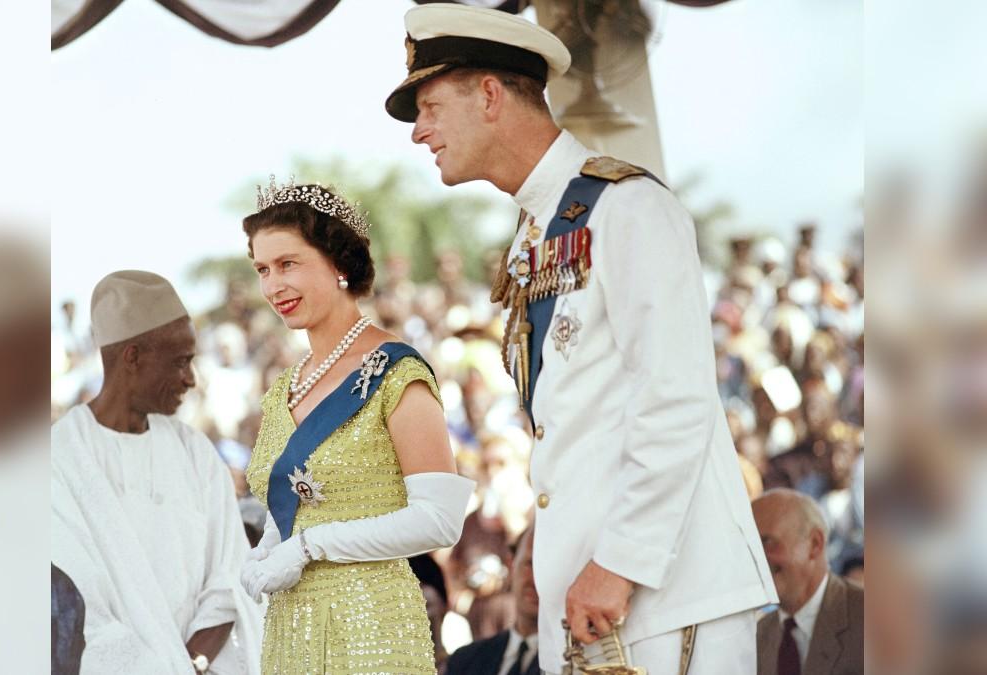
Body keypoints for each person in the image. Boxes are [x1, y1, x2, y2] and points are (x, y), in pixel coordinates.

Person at [384, 5, 778, 672]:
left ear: (489, 95)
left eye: (430, 107)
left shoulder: (628, 208)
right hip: (594, 598)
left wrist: (619, 562)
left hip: (666, 593)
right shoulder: (534, 234)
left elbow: (676, 399)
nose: (420, 131)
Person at [238, 178, 476, 674]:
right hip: (291, 633)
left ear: (339, 264)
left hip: (373, 628)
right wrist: (268, 548)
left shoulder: (396, 371)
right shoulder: (284, 388)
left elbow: (440, 519)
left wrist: (311, 546)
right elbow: (294, 504)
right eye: (263, 269)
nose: (273, 285)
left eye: (288, 264)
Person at [51, 270, 262, 673]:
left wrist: (192, 664)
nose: (191, 379)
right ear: (132, 357)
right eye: (180, 362)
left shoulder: (194, 451)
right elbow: (77, 610)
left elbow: (231, 578)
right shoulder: (60, 460)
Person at [752, 489, 864, 675]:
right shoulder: (758, 637)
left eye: (767, 543)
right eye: (749, 548)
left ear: (814, 544)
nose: (755, 560)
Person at [446, 527, 540, 675]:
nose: (536, 580)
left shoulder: (572, 664)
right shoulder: (464, 661)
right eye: (531, 564)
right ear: (511, 564)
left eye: (549, 570)